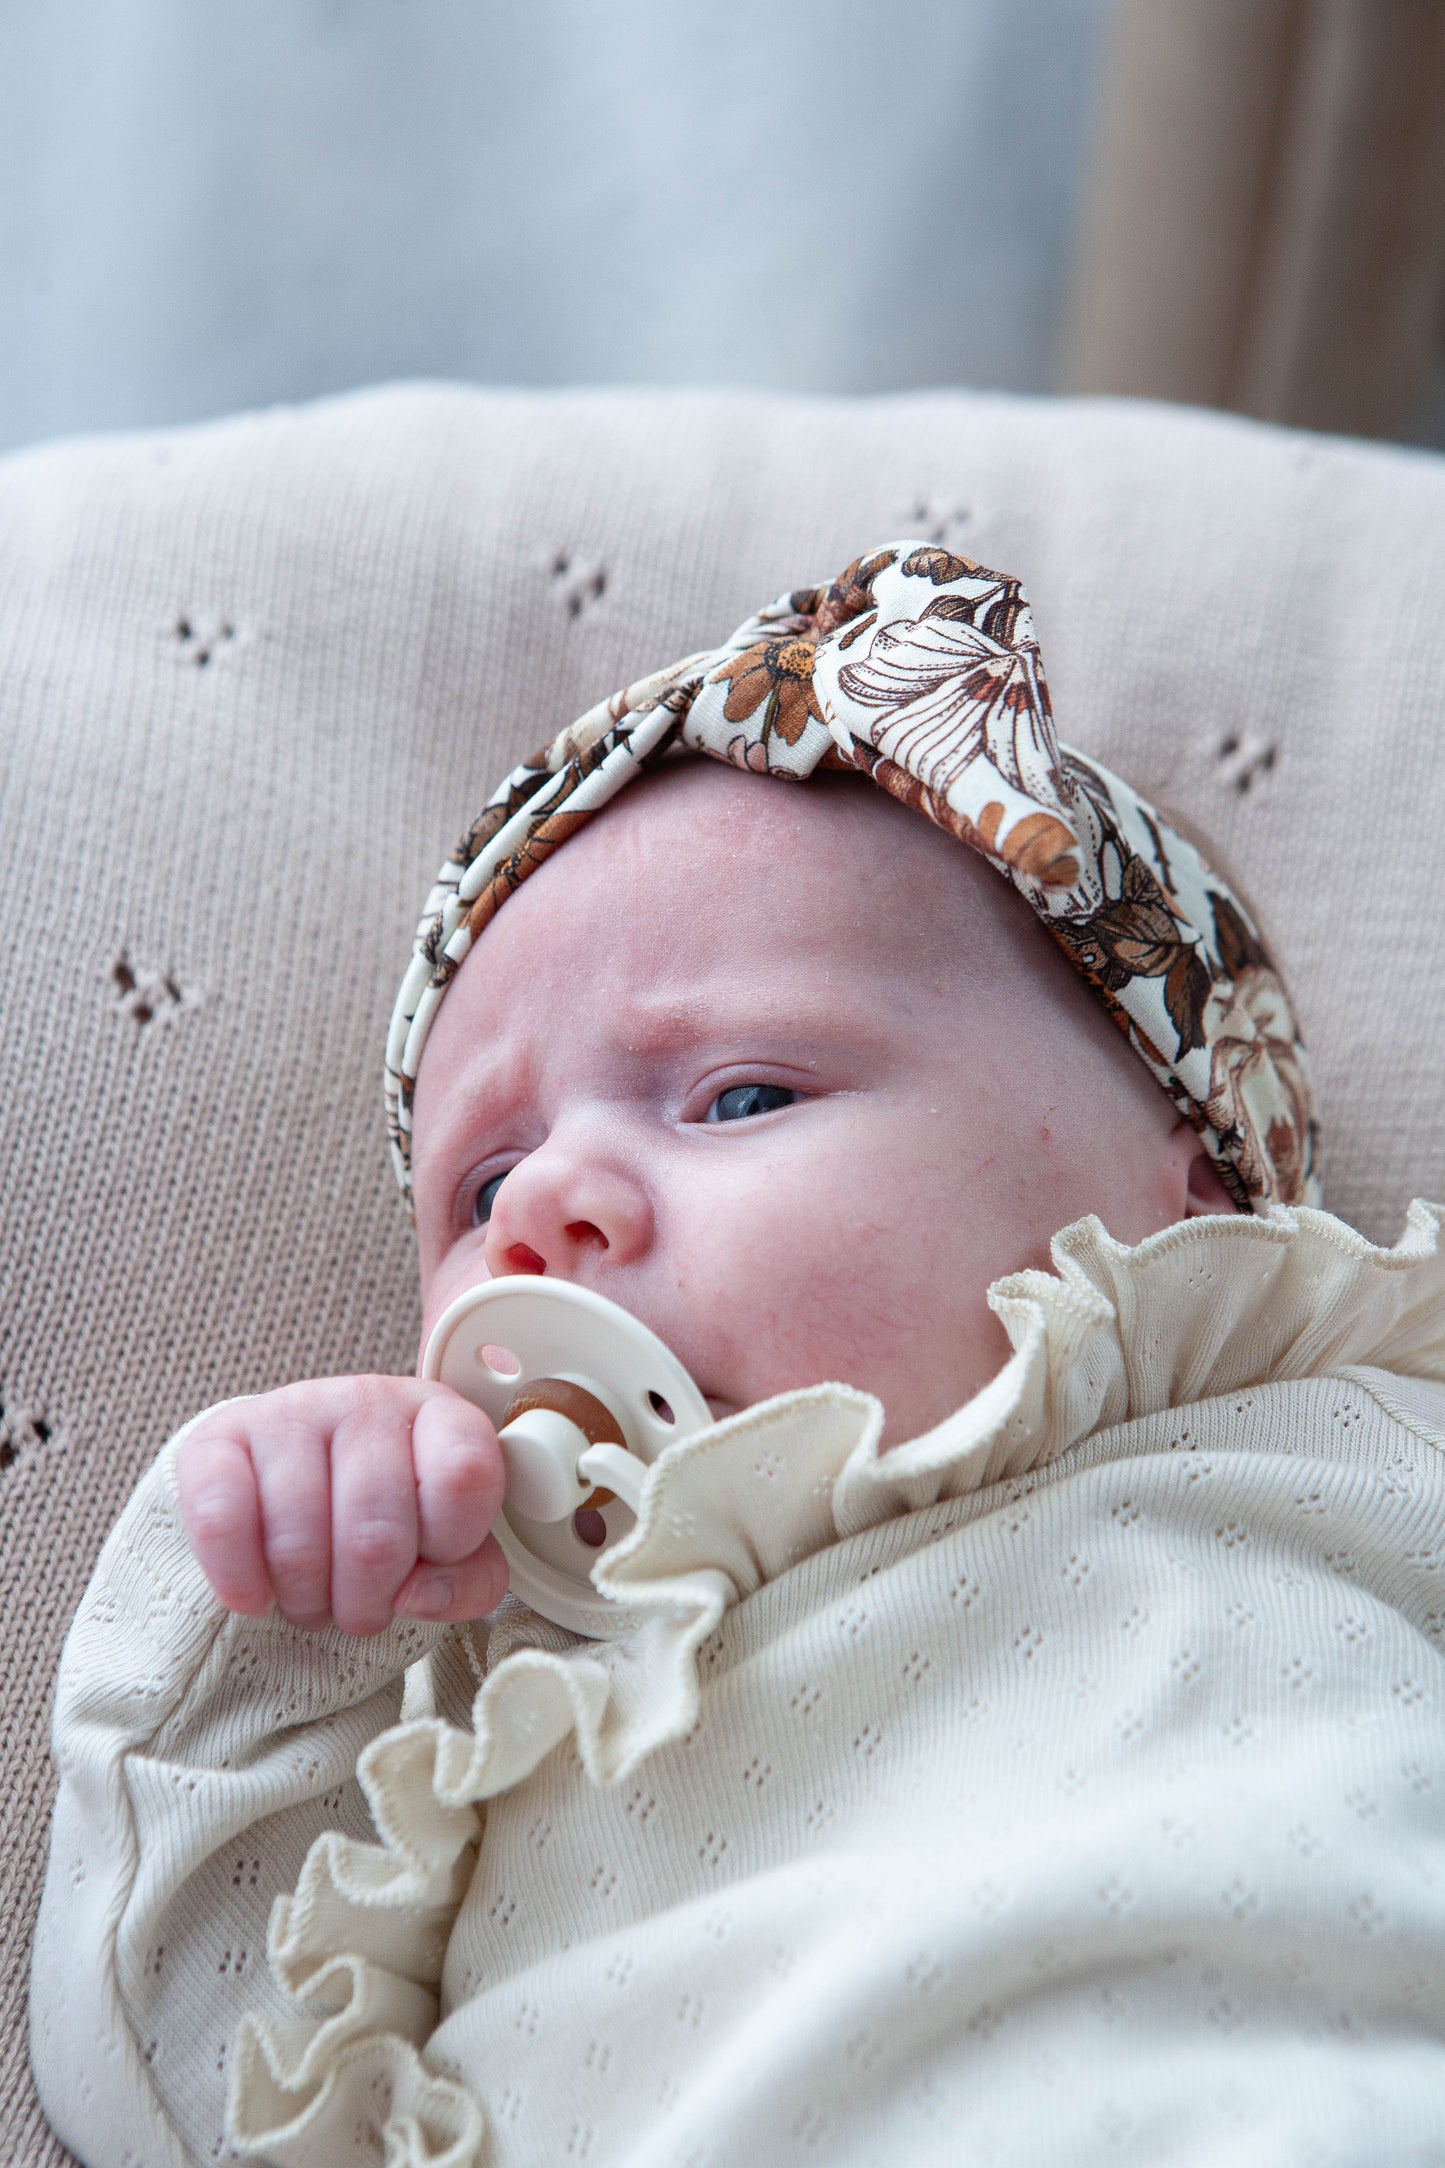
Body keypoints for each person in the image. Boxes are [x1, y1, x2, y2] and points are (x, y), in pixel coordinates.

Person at [32, 545, 1445, 2168]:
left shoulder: (1346, 1443)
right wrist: (279, 1621)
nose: (544, 1204)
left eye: (742, 1095)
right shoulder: (483, 1697)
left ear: (1189, 1188)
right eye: (481, 1190)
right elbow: (174, 2097)